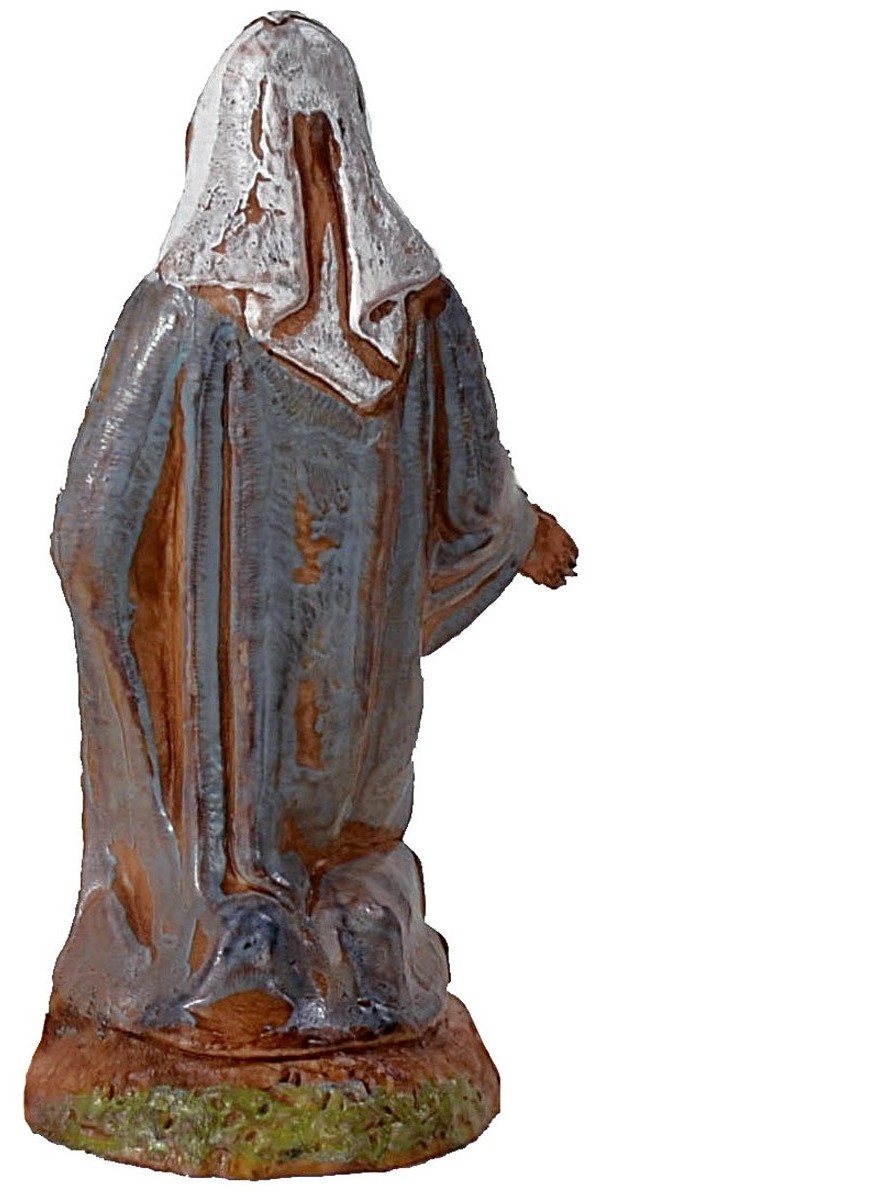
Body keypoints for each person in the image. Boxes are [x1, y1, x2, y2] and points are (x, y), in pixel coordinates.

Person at [47, 11, 577, 1052]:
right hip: (364, 705)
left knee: (251, 872)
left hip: (230, 733)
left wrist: (127, 665)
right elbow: (474, 492)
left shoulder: (184, 317)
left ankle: (250, 949)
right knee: (358, 856)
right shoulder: (419, 309)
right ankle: (346, 941)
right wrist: (521, 533)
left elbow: (91, 534)